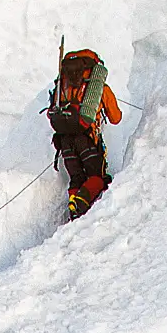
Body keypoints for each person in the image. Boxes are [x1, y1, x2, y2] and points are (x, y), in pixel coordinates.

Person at [46, 49, 122, 220]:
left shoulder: (61, 84)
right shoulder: (96, 87)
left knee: (77, 177)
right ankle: (79, 205)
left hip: (64, 140)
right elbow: (116, 118)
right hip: (86, 139)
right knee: (97, 177)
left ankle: (74, 203)